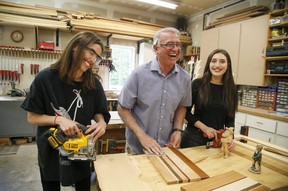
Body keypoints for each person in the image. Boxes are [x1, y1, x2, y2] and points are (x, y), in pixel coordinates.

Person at [21, 31, 111, 191]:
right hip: (51, 149)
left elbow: (99, 111)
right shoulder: (45, 79)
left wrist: (102, 122)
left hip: (80, 147)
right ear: (76, 46)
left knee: (83, 185)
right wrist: (59, 120)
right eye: (90, 52)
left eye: (97, 56)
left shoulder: (94, 83)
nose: (92, 59)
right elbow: (32, 117)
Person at [117, 27, 191, 155]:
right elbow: (122, 108)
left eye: (178, 45)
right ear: (156, 48)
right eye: (169, 44)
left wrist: (177, 130)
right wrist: (142, 136)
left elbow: (182, 106)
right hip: (138, 147)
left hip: (166, 147)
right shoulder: (138, 75)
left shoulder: (184, 78)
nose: (175, 49)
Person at [180, 49, 238, 151]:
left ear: (228, 65)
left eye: (222, 61)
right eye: (214, 61)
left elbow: (230, 119)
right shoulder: (198, 84)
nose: (217, 65)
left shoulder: (231, 89)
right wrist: (204, 128)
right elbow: (185, 112)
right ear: (209, 64)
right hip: (193, 140)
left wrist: (229, 137)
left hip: (217, 141)